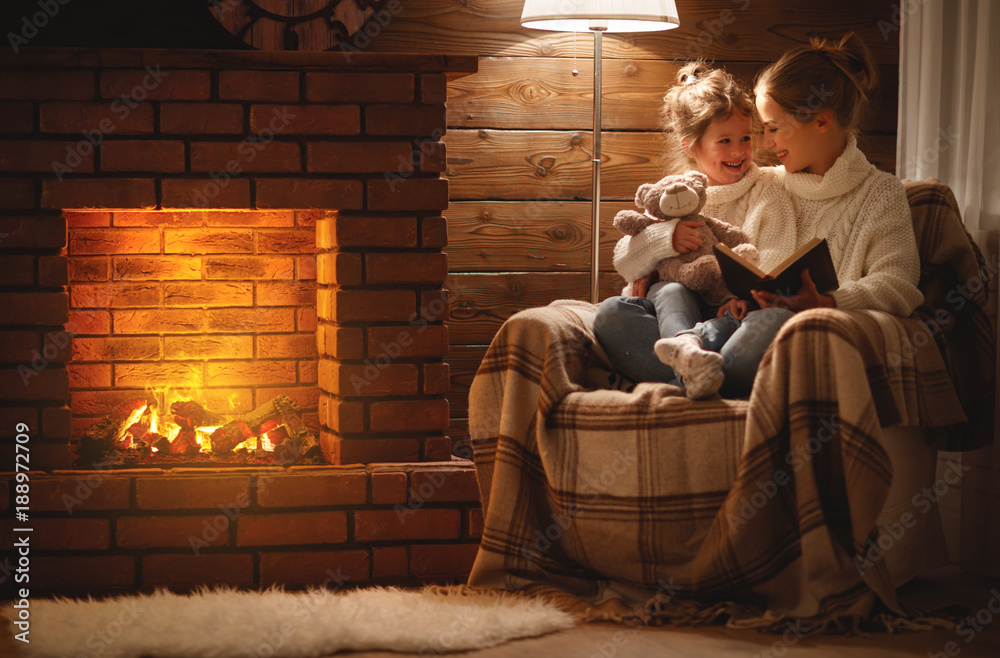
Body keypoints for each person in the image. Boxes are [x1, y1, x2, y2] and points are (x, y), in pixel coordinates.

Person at [593, 62, 798, 398]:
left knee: (773, 324)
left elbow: (773, 255)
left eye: (746, 138)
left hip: (734, 318)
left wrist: (741, 298)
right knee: (611, 314)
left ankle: (687, 383)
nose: (738, 151)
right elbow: (627, 264)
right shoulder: (672, 196)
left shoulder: (768, 190)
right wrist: (664, 239)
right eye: (725, 141)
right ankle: (701, 377)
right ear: (691, 146)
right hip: (674, 313)